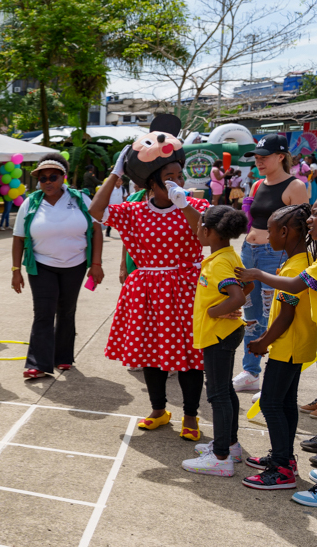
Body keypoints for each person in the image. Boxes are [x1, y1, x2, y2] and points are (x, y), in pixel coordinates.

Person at [88, 115, 211, 441]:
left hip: (185, 290)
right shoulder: (134, 210)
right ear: (151, 182)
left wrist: (183, 205)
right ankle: (159, 409)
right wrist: (116, 174)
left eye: (179, 175)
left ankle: (190, 415)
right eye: (169, 176)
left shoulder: (195, 204)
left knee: (189, 356)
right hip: (146, 290)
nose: (176, 181)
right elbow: (96, 211)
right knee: (151, 353)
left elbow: (208, 238)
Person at [236, 204, 316, 492]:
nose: (267, 236)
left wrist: (262, 342)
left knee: (271, 403)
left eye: (270, 231)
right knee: (284, 402)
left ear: (284, 231)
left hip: (287, 345)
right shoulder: (303, 258)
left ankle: (282, 468)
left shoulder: (296, 267)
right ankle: (286, 458)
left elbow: (287, 313)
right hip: (297, 344)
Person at [11, 153, 104, 379]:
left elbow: (96, 230)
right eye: (43, 179)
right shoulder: (30, 202)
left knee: (67, 310)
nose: (48, 182)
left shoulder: (80, 199)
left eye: (53, 177)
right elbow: (18, 238)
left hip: (76, 264)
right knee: (43, 312)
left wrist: (96, 264)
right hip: (41, 265)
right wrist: (16, 270)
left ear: (63, 177)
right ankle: (38, 363)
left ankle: (63, 357)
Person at [235, 134, 309, 393]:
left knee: (274, 315)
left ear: (281, 156)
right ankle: (250, 371)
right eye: (256, 158)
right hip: (250, 250)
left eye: (264, 157)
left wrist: (290, 263)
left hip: (274, 255)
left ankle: (272, 383)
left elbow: (301, 230)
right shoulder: (257, 185)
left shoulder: (296, 186)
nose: (259, 162)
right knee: (251, 315)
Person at [181, 206, 249, 477]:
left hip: (218, 333)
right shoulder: (228, 255)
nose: (196, 229)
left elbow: (238, 296)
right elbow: (248, 284)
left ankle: (220, 457)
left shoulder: (218, 263)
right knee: (225, 390)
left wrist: (214, 311)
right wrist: (228, 306)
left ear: (208, 232)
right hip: (226, 331)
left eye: (198, 225)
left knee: (218, 394)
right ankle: (229, 444)